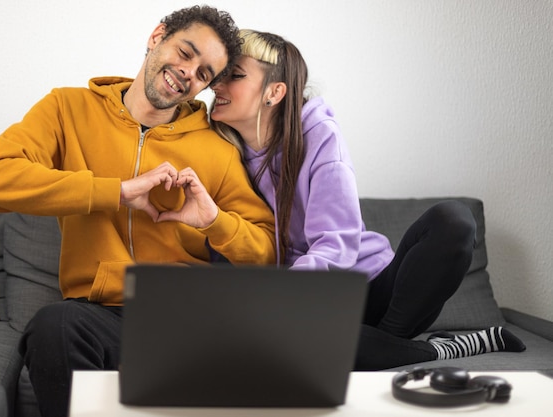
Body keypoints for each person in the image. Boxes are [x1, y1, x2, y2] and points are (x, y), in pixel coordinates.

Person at [0, 8, 276, 417]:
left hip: (188, 312)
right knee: (54, 327)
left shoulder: (217, 151)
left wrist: (213, 221)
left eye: (204, 74)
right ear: (157, 36)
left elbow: (268, 251)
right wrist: (114, 192)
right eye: (185, 52)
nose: (189, 73)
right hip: (99, 314)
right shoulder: (68, 109)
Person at [209, 29, 525, 371]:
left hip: (369, 288)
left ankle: (383, 341)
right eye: (219, 75)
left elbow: (337, 243)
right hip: (308, 311)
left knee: (454, 220)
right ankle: (413, 350)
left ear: (275, 92)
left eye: (234, 75)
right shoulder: (220, 151)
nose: (216, 85)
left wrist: (285, 293)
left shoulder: (318, 135)